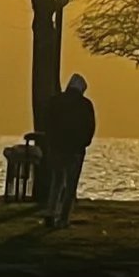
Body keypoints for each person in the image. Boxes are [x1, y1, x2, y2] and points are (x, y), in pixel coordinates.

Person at [43, 71, 96, 226]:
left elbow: (48, 122)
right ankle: (63, 218)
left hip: (57, 147)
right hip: (75, 150)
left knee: (57, 181)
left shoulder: (55, 101)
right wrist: (84, 143)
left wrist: (51, 142)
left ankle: (50, 211)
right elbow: (90, 126)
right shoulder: (86, 105)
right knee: (70, 185)